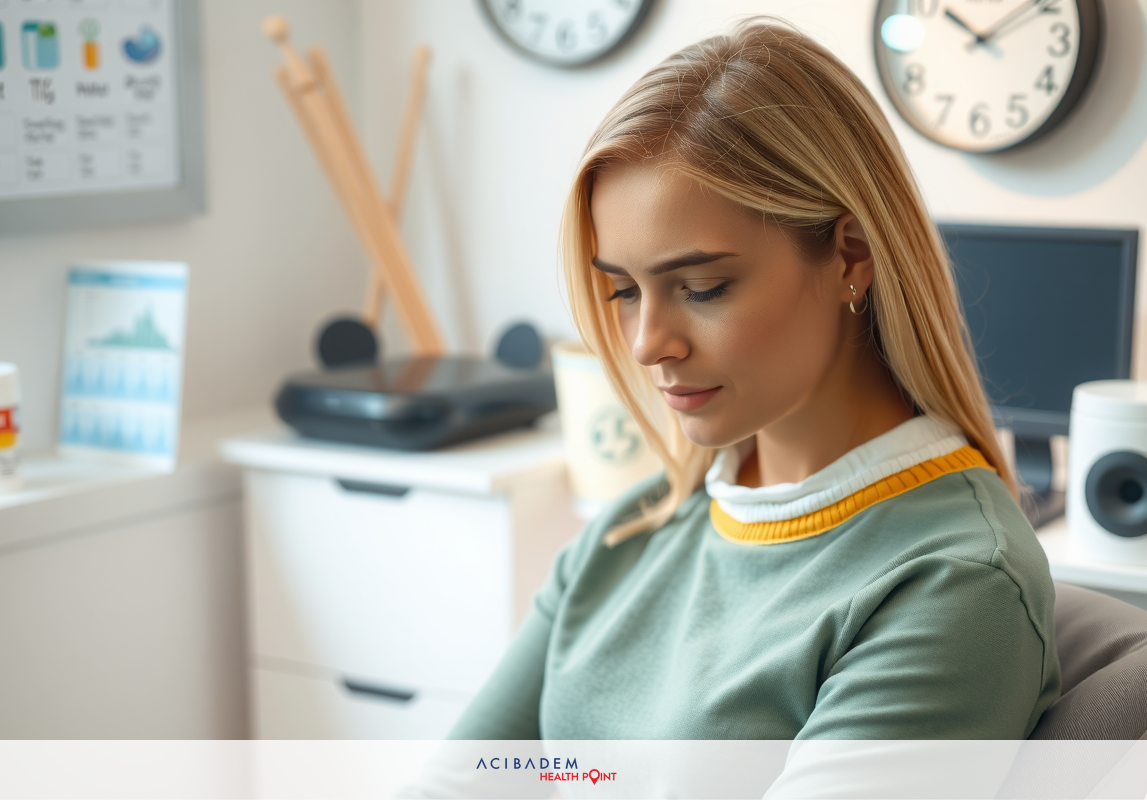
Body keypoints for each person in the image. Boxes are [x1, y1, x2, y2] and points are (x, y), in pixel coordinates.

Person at [449, 17, 1060, 753]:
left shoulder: (954, 583)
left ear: (850, 256)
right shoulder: (631, 533)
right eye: (623, 291)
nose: (648, 344)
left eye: (702, 287)